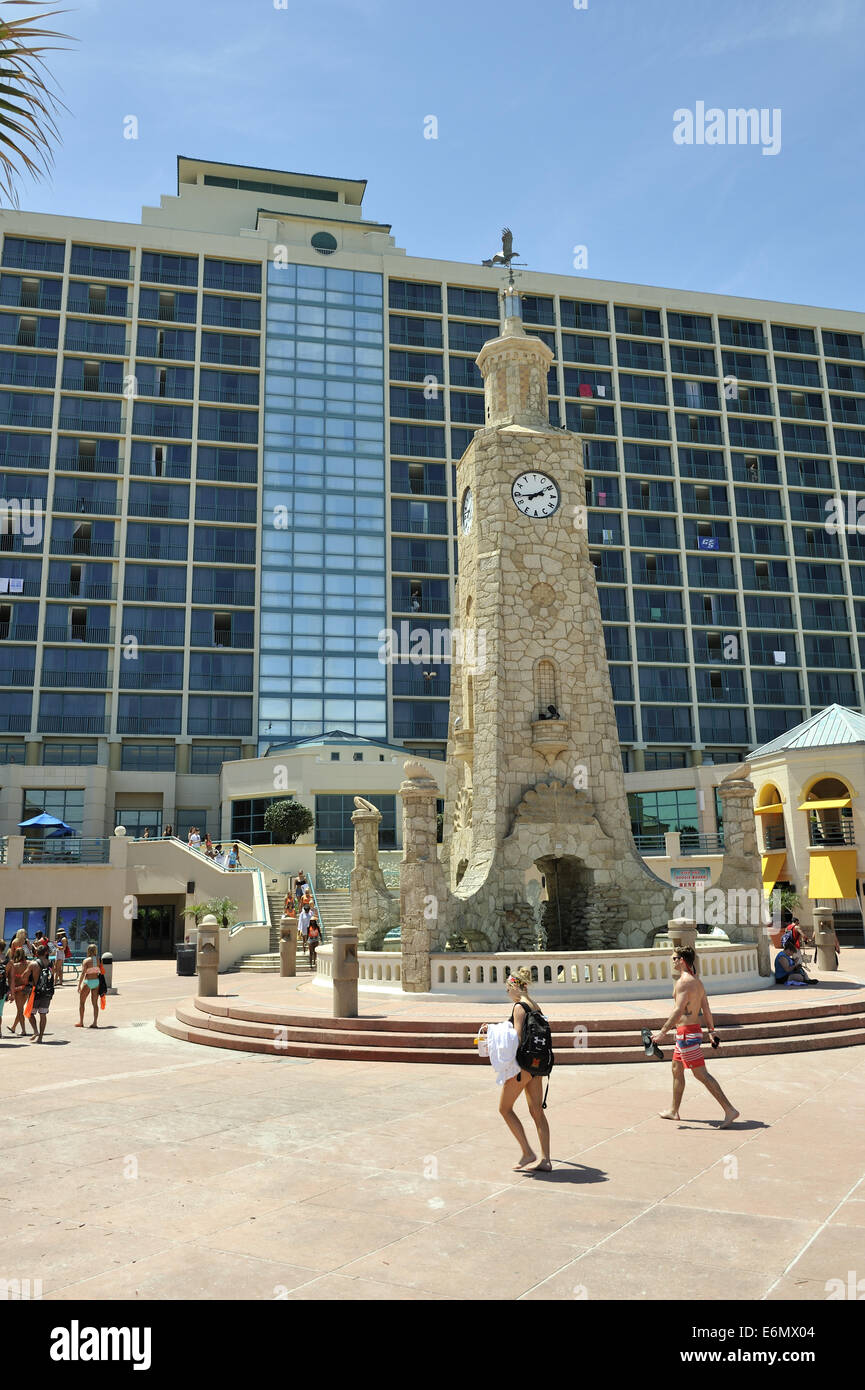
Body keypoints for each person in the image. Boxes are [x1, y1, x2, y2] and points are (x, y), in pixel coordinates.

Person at [653, 947, 740, 1128]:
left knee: (701, 1074)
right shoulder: (697, 982)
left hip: (687, 1034)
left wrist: (662, 1032)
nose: (673, 961)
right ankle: (674, 1110)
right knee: (677, 1069)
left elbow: (678, 1010)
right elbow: (706, 1007)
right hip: (688, 1033)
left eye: (675, 958)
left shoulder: (684, 982)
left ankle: (729, 1109)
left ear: (683, 960)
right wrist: (711, 1030)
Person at [499, 969, 553, 1172]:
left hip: (522, 1066)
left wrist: (507, 1066)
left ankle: (527, 1152)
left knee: (504, 1109)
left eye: (507, 989)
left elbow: (517, 1038)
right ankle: (546, 1159)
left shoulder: (519, 1007)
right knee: (537, 1111)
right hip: (537, 1064)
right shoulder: (535, 1006)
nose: (507, 993)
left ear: (514, 986)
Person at [6, 946, 36, 1038]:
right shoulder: (29, 963)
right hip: (26, 988)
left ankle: (23, 1030)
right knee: (21, 1009)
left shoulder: (15, 966)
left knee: (20, 1010)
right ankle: (14, 1027)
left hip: (18, 989)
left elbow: (11, 979)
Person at [31, 942, 54, 1042]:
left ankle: (35, 1031)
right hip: (47, 992)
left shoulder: (33, 963)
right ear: (45, 952)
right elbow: (53, 976)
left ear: (37, 952)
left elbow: (24, 976)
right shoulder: (50, 963)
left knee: (29, 1013)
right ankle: (40, 1037)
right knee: (43, 1014)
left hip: (36, 991)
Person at [76, 944, 102, 1028]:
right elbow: (100, 971)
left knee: (82, 1002)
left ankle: (81, 1022)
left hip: (88, 982)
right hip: (96, 982)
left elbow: (83, 973)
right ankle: (95, 1023)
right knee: (95, 1003)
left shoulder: (86, 961)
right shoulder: (98, 960)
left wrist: (79, 984)